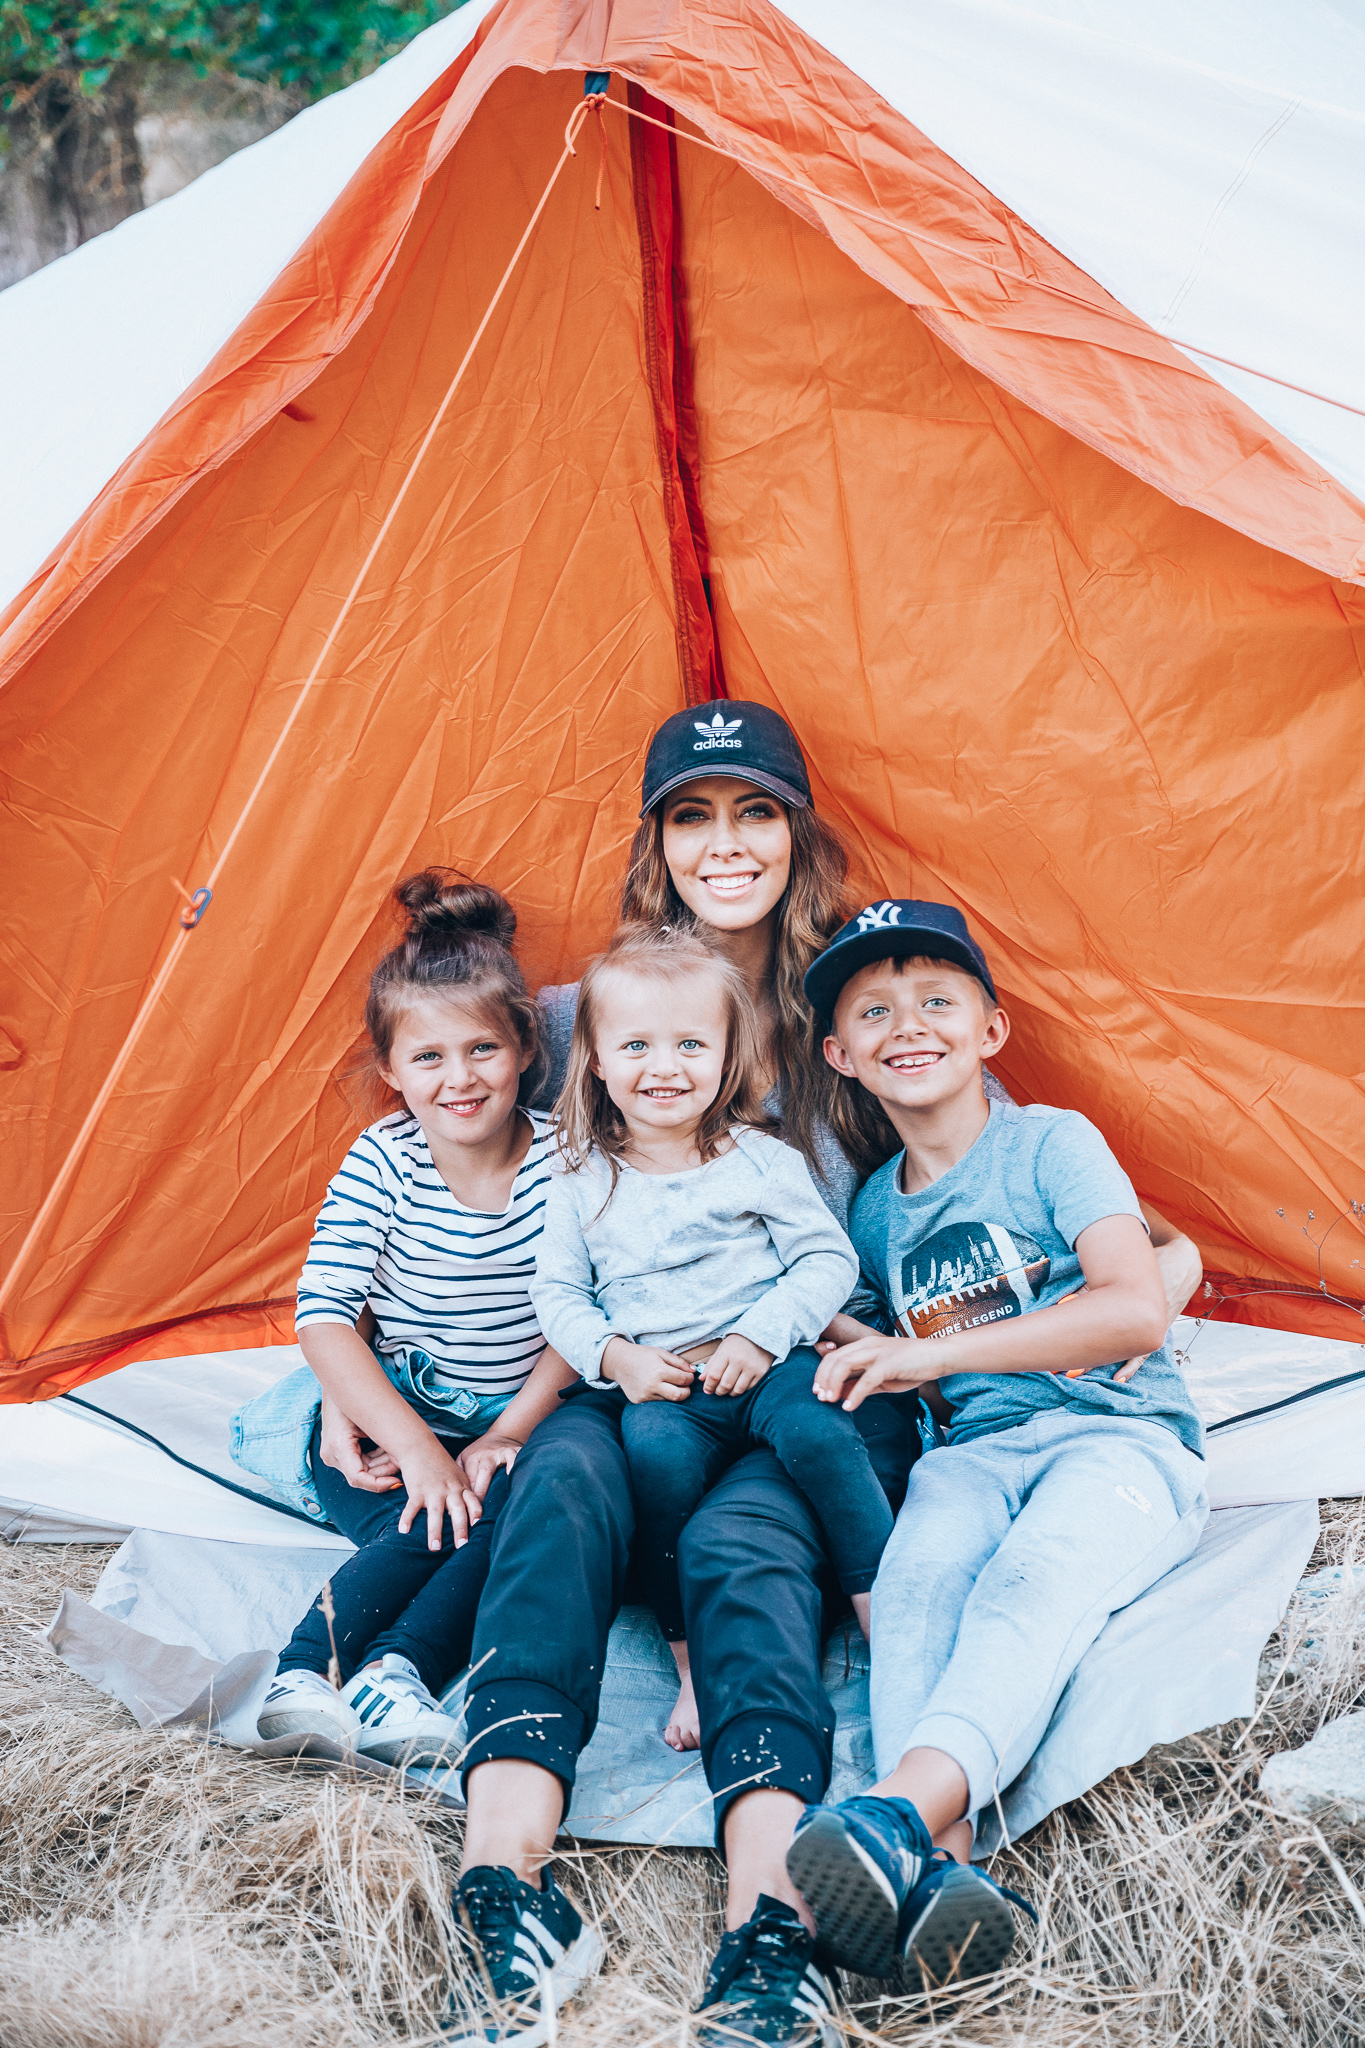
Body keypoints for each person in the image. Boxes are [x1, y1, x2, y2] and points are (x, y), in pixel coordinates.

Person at [317, 704, 1200, 2048]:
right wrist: (352, 1372)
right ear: (654, 845)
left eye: (754, 815)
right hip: (637, 1386)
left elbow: (1035, 1218)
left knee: (747, 1549)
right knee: (558, 1488)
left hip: (800, 1381)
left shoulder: (859, 1006)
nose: (724, 847)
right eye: (692, 817)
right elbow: (455, 1131)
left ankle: (771, 1933)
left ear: (799, 834)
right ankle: (508, 1896)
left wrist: (1120, 1306)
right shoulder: (577, 1011)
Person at [781, 899, 1209, 1989]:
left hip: (1114, 1438)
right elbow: (865, 1326)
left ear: (991, 1030)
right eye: (872, 1011)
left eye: (937, 999)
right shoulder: (877, 1207)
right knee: (918, 1581)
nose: (906, 1023)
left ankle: (888, 1814)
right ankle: (940, 1878)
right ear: (841, 1055)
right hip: (972, 1453)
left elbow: (1132, 1306)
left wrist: (929, 1360)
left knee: (1026, 1583)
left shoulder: (1051, 1141)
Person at [238, 871, 575, 1765]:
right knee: (422, 1517)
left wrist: (501, 1436)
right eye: (427, 1059)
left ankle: (393, 1676)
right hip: (393, 1419)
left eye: (481, 1051)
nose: (458, 1079)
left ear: (523, 1049)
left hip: (517, 1419)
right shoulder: (382, 1163)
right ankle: (302, 1672)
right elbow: (324, 1319)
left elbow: (581, 1321)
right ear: (391, 1070)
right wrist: (422, 1450)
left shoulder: (568, 1165)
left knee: (511, 1512)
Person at [533, 924, 891, 1751]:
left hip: (768, 1363)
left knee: (820, 1432)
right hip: (666, 1385)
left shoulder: (758, 1158)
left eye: (691, 1044)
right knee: (655, 1468)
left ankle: (885, 1617)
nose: (664, 1067)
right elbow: (556, 1293)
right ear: (593, 1058)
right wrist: (615, 1358)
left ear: (729, 1057)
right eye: (636, 1046)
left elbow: (823, 1258)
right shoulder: (579, 1174)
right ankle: (693, 1670)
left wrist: (763, 1338)